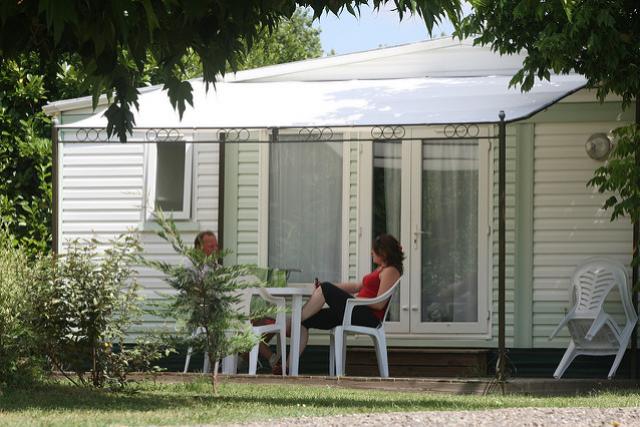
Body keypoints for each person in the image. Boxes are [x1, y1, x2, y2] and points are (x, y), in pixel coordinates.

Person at [274, 234, 404, 374]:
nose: (371, 252)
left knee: (326, 289)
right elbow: (355, 287)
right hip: (353, 310)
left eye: (374, 250)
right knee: (306, 321)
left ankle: (291, 322)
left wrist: (351, 299)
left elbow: (379, 304)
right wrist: (328, 287)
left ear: (383, 252)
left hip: (367, 317)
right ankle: (286, 368)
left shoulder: (391, 271)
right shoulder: (381, 269)